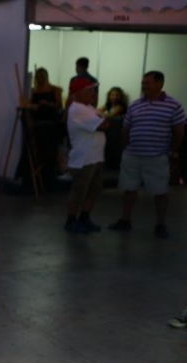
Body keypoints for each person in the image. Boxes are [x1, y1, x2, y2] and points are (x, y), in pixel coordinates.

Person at [108, 71, 186, 239]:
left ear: (160, 84)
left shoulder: (174, 105)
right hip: (132, 155)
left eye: (148, 83)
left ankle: (160, 224)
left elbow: (179, 131)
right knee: (129, 189)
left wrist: (172, 151)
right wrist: (125, 148)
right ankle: (125, 220)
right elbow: (125, 129)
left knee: (160, 192)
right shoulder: (135, 105)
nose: (144, 86)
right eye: (143, 83)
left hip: (157, 157)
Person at [63, 78, 109, 234]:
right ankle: (71, 221)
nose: (93, 93)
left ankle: (84, 218)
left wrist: (102, 118)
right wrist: (102, 118)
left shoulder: (88, 107)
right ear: (78, 93)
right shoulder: (78, 109)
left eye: (93, 90)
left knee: (94, 190)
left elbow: (103, 121)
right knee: (79, 192)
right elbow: (104, 124)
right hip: (84, 159)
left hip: (96, 157)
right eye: (89, 90)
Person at [28, 67, 64, 184]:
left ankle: (52, 172)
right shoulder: (33, 91)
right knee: (39, 149)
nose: (40, 79)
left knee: (51, 149)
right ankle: (41, 173)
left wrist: (48, 104)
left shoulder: (55, 90)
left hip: (51, 124)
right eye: (38, 77)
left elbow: (59, 105)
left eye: (42, 77)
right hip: (38, 124)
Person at [100, 86, 128, 169]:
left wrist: (102, 115)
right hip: (109, 131)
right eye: (112, 95)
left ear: (120, 97)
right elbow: (97, 111)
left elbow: (110, 116)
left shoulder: (121, 106)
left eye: (117, 95)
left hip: (117, 133)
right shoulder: (108, 104)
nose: (114, 97)